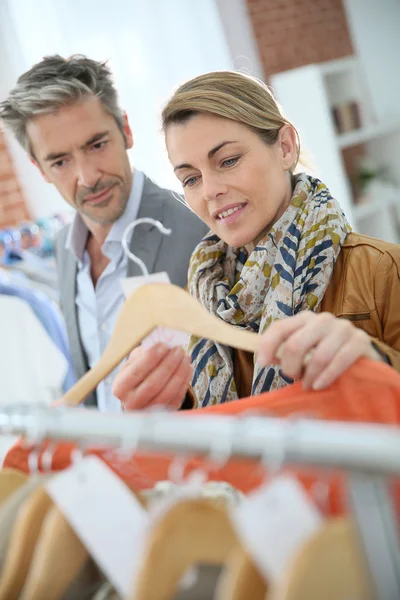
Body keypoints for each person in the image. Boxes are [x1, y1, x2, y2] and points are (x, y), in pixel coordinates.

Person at [112, 70, 400, 411]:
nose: (209, 191)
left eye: (228, 160)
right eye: (190, 178)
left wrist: (375, 362)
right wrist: (166, 413)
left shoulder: (383, 269)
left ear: (285, 147)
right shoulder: (197, 301)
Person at [0, 55, 208, 411]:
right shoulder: (66, 250)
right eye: (60, 161)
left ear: (125, 129)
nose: (87, 176)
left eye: (97, 145)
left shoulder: (199, 229)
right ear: (41, 169)